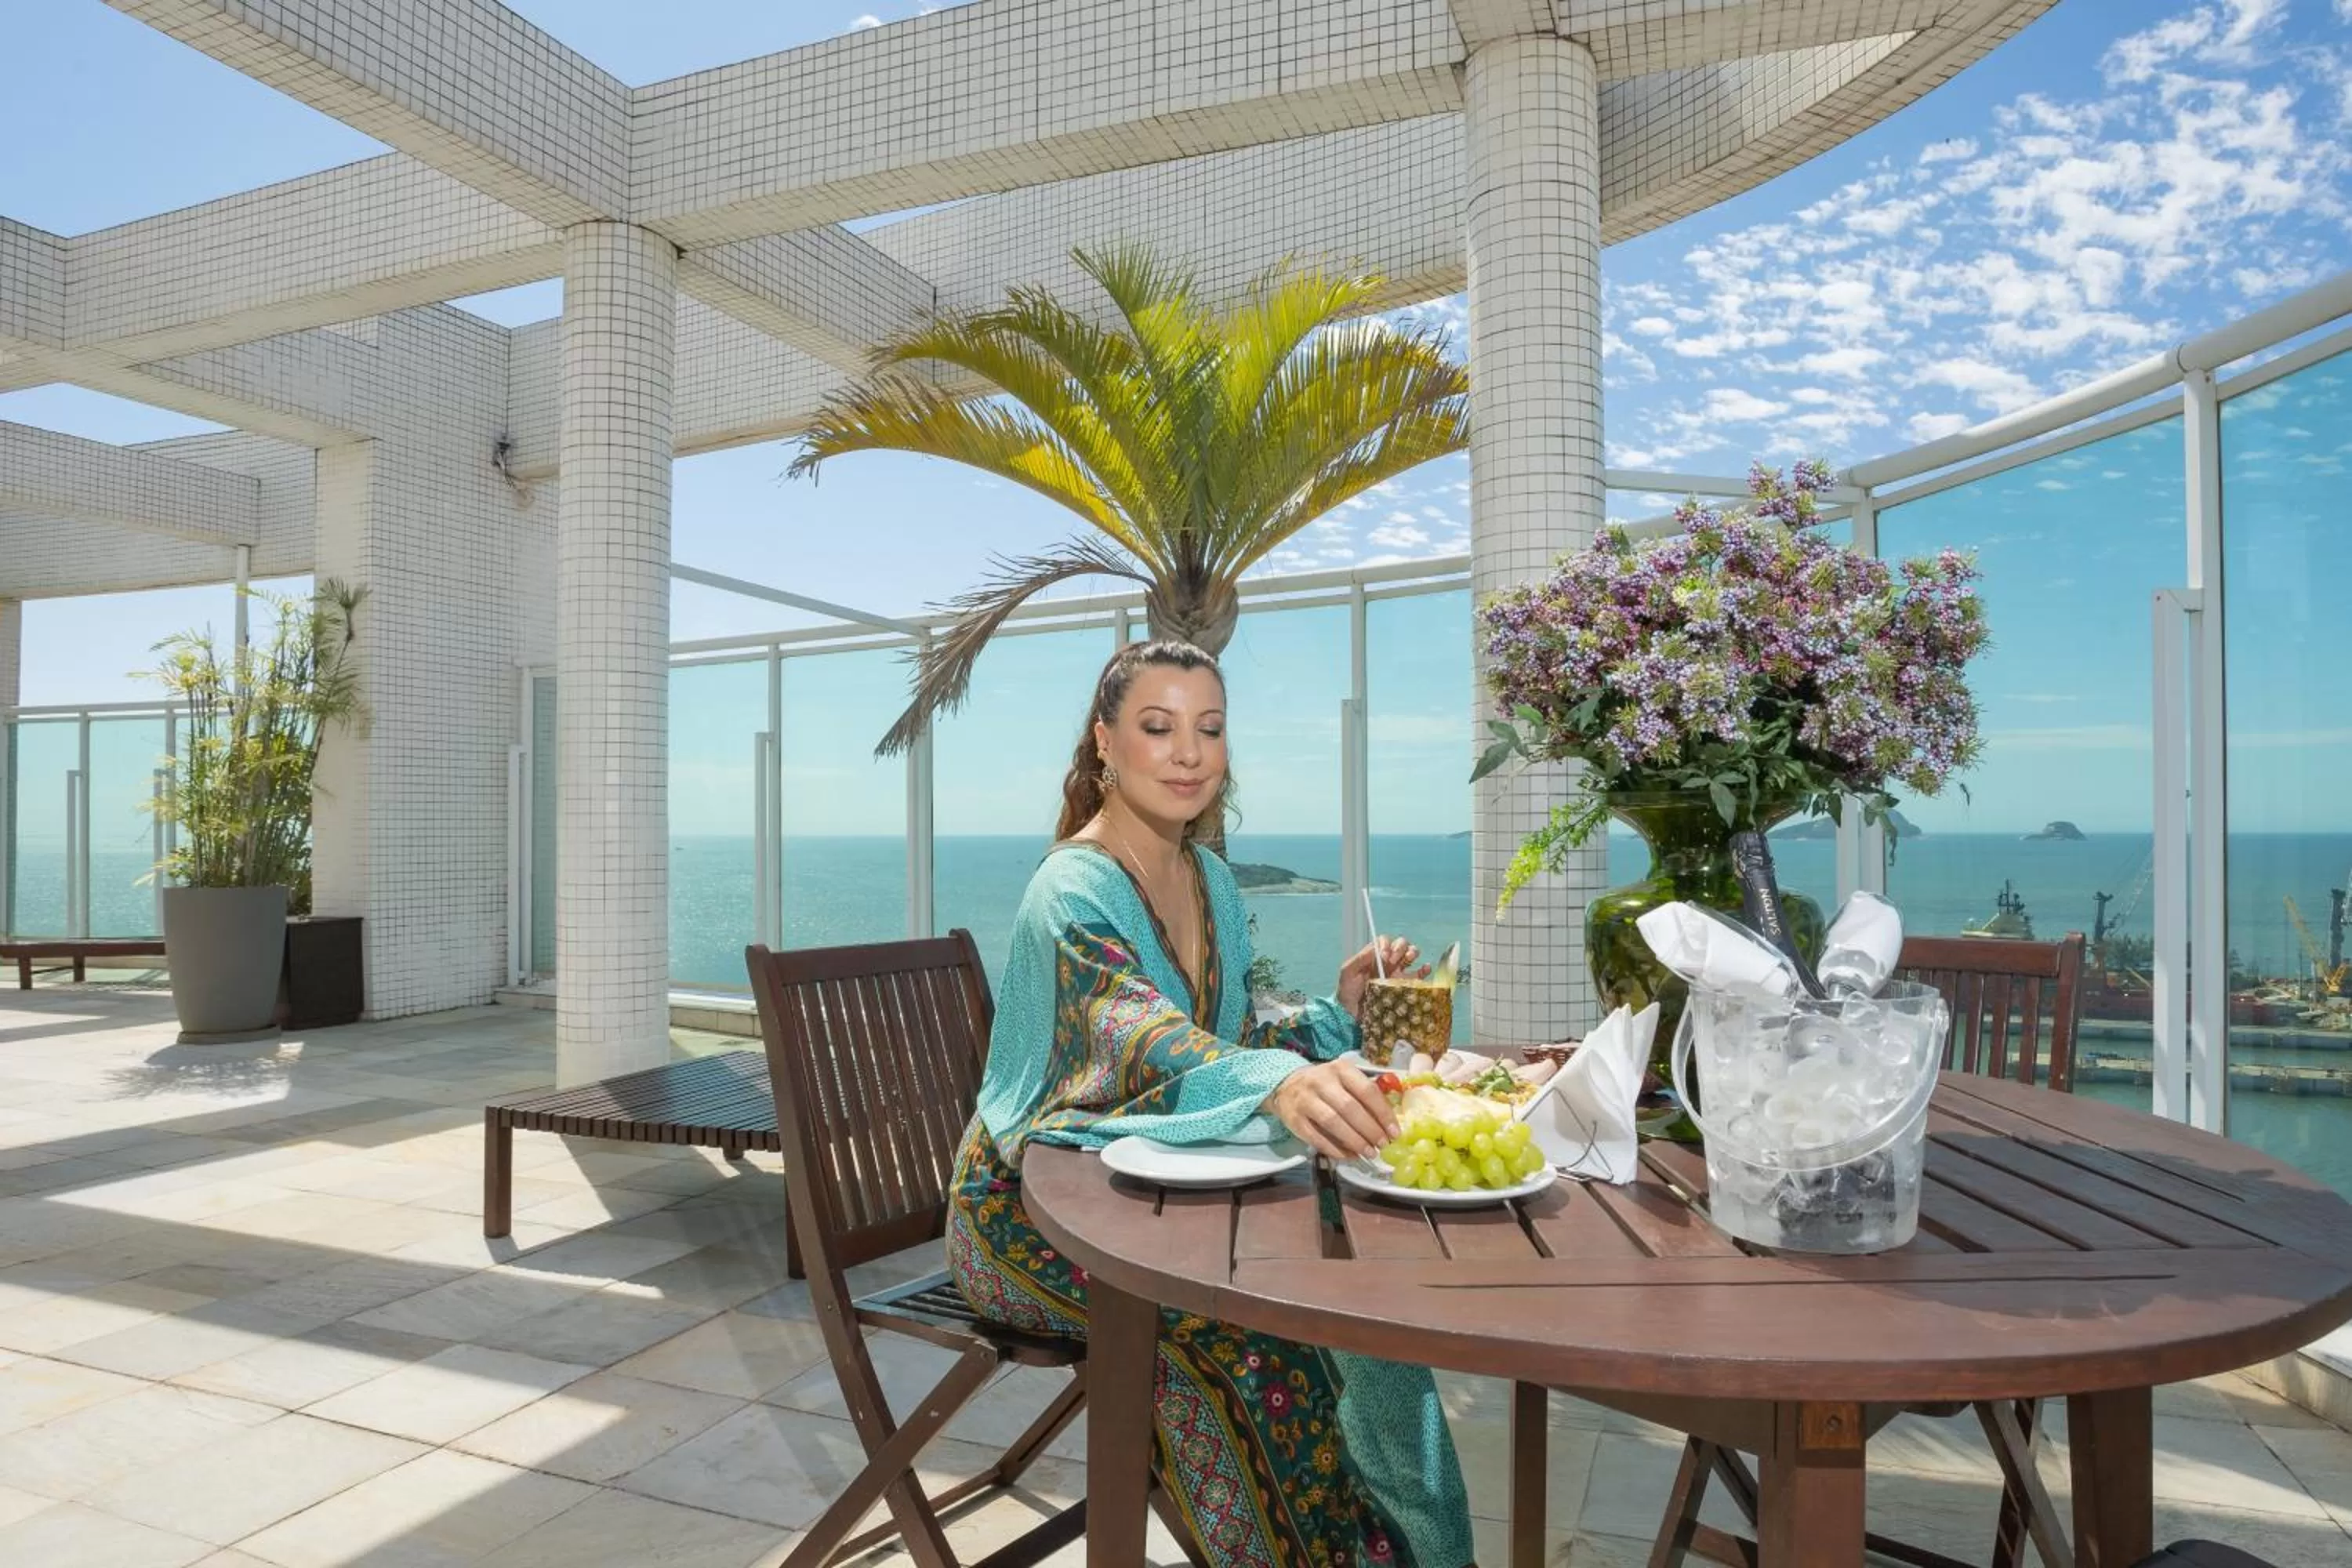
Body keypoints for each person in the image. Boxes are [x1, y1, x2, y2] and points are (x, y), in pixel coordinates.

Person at [946, 639, 1475, 1568]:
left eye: (1210, 728)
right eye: (1158, 726)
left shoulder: (1212, 880)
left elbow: (1227, 1036)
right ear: (1104, 742)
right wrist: (1280, 1081)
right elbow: (1144, 1034)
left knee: (1355, 1305)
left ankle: (1418, 1553)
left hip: (1159, 1201)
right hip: (1030, 1213)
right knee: (1242, 1329)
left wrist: (1334, 1016)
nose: (1188, 751)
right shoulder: (1072, 888)